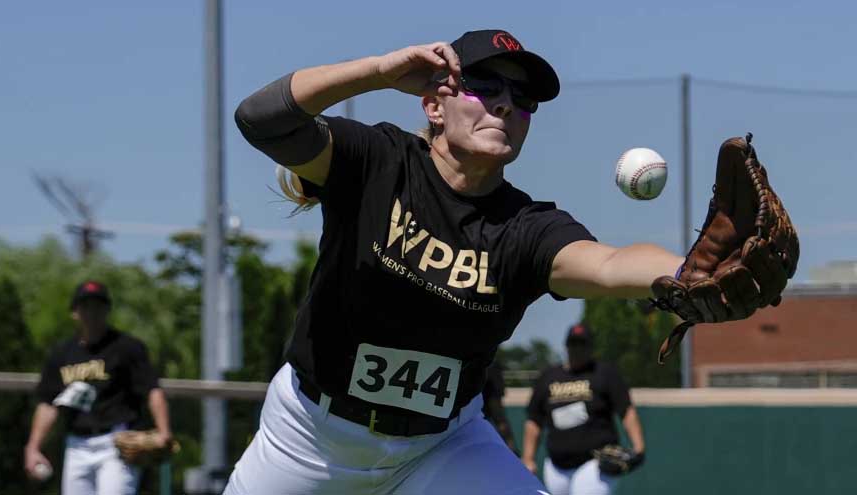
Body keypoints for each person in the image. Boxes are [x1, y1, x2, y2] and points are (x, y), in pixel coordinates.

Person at [225, 28, 756, 494]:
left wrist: (690, 270)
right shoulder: (378, 162)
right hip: (311, 440)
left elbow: (608, 264)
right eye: (484, 85)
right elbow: (261, 118)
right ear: (434, 105)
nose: (505, 104)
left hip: (440, 449)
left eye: (522, 97)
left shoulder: (524, 226)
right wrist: (381, 72)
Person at [23, 280, 172, 495]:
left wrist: (164, 430)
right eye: (85, 306)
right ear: (74, 312)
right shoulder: (62, 353)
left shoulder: (127, 347)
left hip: (117, 443)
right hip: (76, 445)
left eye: (98, 306)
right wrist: (33, 447)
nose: (92, 312)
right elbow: (48, 403)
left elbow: (152, 390)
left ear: (107, 310)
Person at [521, 324, 645, 495]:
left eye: (582, 344)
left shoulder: (604, 373)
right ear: (566, 346)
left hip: (595, 463)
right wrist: (528, 458)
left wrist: (639, 447)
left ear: (590, 347)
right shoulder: (549, 376)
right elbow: (534, 420)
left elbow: (626, 411)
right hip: (557, 465)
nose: (577, 349)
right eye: (573, 343)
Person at [482, 359, 519, 453]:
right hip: (482, 392)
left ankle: (512, 451)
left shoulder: (493, 366)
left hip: (492, 391)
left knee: (500, 422)